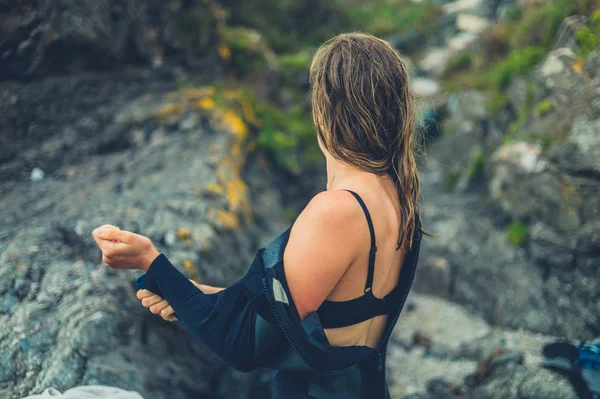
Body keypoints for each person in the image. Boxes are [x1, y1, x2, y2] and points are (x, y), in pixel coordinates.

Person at [92, 32, 428, 398]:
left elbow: (244, 344)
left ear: (323, 108)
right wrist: (189, 296)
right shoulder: (396, 195)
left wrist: (150, 260)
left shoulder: (337, 211)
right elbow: (307, 311)